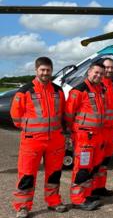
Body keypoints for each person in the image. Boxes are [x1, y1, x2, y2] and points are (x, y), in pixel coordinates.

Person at [10, 57, 68, 218]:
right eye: (42, 70)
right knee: (27, 174)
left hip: (55, 140)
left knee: (54, 173)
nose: (45, 73)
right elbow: (15, 116)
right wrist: (29, 129)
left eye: (48, 70)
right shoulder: (25, 91)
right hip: (32, 140)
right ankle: (23, 206)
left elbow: (63, 113)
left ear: (51, 70)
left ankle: (54, 201)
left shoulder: (58, 91)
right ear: (36, 70)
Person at [65, 62, 106, 211]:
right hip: (84, 137)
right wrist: (74, 131)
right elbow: (69, 114)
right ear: (89, 72)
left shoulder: (101, 90)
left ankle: (86, 194)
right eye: (96, 72)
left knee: (92, 168)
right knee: (82, 168)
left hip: (97, 135)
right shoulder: (78, 90)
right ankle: (77, 199)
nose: (98, 76)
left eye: (101, 74)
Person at [92, 58, 113, 197]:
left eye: (111, 68)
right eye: (107, 67)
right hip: (100, 130)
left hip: (110, 130)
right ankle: (93, 189)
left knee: (105, 162)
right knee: (96, 161)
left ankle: (100, 186)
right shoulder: (98, 84)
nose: (109, 70)